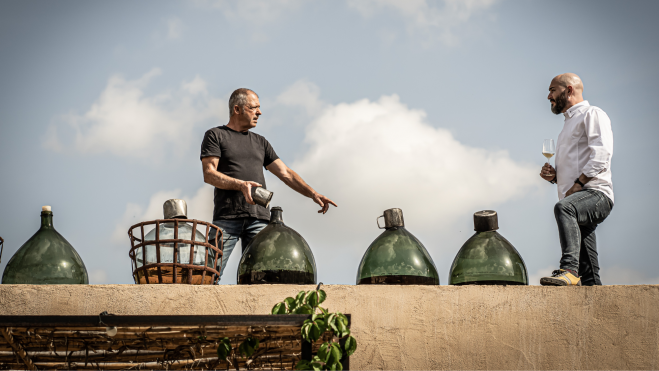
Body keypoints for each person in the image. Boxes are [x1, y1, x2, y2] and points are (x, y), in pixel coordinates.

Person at [200, 88, 337, 281]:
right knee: (208, 274)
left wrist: (312, 193)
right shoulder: (216, 135)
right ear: (237, 109)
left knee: (262, 277)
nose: (259, 112)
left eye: (259, 108)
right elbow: (209, 174)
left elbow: (285, 173)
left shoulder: (260, 142)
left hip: (259, 220)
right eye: (254, 107)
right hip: (227, 219)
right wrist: (241, 185)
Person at [539, 73, 614, 286]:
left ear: (569, 90)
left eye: (552, 90)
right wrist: (555, 177)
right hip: (579, 197)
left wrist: (578, 185)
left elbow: (602, 155)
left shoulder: (593, 114)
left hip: (596, 194)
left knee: (564, 208)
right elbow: (576, 165)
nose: (548, 96)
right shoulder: (567, 125)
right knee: (590, 275)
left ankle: (569, 269)